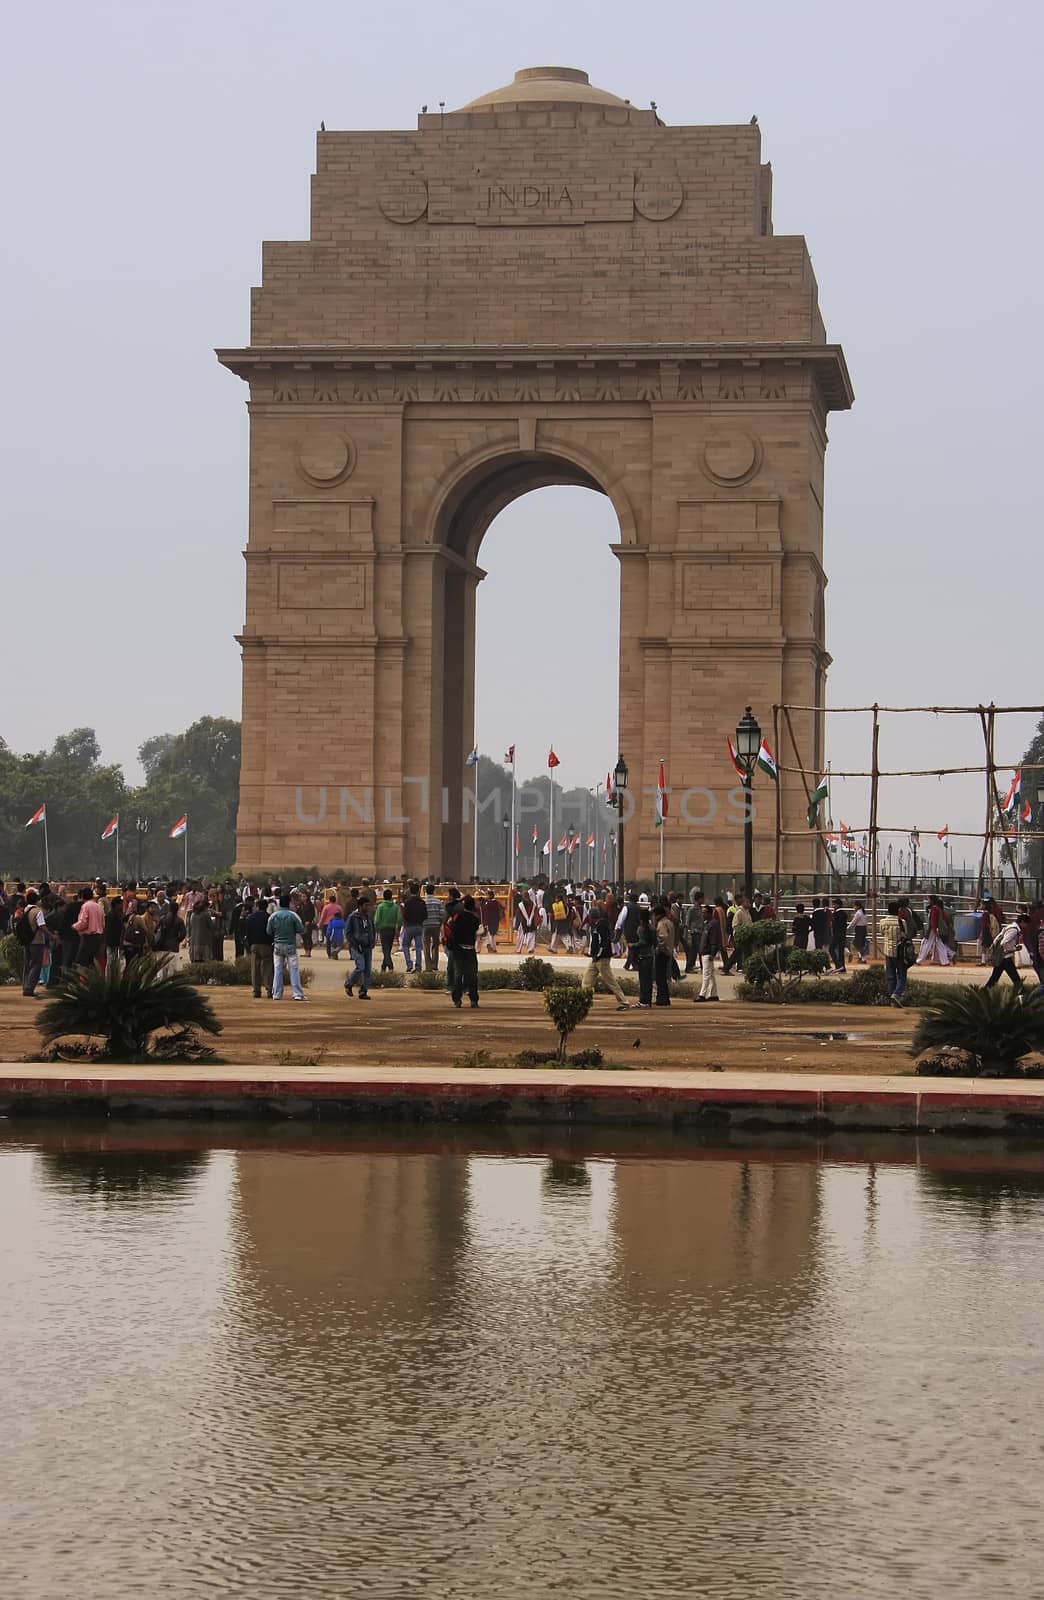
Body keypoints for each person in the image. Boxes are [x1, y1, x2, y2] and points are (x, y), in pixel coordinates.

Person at [581, 905, 630, 1009]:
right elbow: (595, 942)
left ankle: (624, 1002)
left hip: (602, 959)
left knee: (610, 981)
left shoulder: (601, 926)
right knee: (587, 980)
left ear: (592, 917)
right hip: (596, 958)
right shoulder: (597, 926)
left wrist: (597, 955)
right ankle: (583, 1000)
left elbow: (603, 943)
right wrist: (591, 953)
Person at [268, 892, 307, 1001]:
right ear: (289, 903)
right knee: (293, 969)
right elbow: (301, 929)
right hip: (290, 945)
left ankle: (276, 994)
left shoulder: (273, 916)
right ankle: (297, 994)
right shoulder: (293, 915)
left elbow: (269, 931)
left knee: (278, 970)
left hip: (277, 945)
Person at [447, 894, 481, 1008]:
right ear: (473, 908)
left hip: (458, 949)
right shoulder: (475, 919)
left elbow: (449, 907)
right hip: (470, 949)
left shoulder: (458, 917)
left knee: (458, 974)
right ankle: (473, 1000)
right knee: (472, 975)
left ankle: (457, 1000)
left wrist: (459, 900)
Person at [344, 895, 376, 999]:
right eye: (366, 905)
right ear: (360, 906)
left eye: (369, 905)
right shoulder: (353, 917)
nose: (368, 907)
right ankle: (349, 983)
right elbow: (348, 932)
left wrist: (372, 941)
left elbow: (372, 929)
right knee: (360, 967)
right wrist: (354, 944)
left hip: (368, 946)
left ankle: (363, 991)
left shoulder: (368, 917)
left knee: (367, 971)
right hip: (357, 947)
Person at [19, 890, 49, 997]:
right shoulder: (38, 911)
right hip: (37, 941)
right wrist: (51, 935)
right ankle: (30, 988)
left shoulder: (25, 910)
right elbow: (41, 926)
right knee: (36, 964)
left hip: (26, 941)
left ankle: (25, 985)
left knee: (27, 964)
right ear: (37, 900)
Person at [880, 899, 909, 1007]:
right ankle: (896, 994)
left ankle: (892, 998)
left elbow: (882, 932)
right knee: (902, 976)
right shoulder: (902, 922)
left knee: (890, 976)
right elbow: (905, 934)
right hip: (900, 952)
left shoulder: (883, 922)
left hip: (888, 951)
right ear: (898, 911)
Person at [245, 898, 274, 997]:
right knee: (267, 969)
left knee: (255, 969)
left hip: (254, 945)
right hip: (266, 945)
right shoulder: (269, 917)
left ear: (257, 906)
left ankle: (256, 990)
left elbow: (248, 932)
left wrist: (249, 945)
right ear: (266, 907)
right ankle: (269, 990)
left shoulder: (251, 917)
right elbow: (271, 932)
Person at [984, 917, 1024, 990]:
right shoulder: (1014, 930)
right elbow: (1004, 943)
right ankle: (1022, 993)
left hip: (1002, 956)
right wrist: (1014, 949)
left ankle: (984, 992)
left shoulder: (1010, 927)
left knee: (994, 978)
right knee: (1015, 978)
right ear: (1022, 922)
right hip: (1005, 957)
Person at [72, 887, 105, 970]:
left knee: (81, 962)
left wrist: (74, 926)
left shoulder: (86, 906)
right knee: (93, 962)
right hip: (99, 937)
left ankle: (82, 982)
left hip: (88, 938)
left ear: (82, 896)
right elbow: (103, 923)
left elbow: (83, 923)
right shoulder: (98, 906)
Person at [916, 895, 953, 966]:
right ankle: (945, 961)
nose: (928, 901)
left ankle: (919, 960)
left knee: (925, 943)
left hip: (933, 929)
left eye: (929, 900)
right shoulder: (937, 908)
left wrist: (935, 930)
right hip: (935, 929)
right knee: (940, 944)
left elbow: (933, 920)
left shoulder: (934, 908)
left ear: (932, 900)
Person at [695, 903, 722, 1001]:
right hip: (705, 952)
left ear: (710, 913)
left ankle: (702, 994)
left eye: (705, 913)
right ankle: (713, 994)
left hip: (708, 953)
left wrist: (712, 953)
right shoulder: (707, 923)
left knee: (706, 975)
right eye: (702, 913)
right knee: (710, 975)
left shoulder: (713, 924)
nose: (703, 914)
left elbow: (714, 940)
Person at [399, 882, 426, 972]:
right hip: (419, 926)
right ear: (418, 891)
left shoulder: (408, 902)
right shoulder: (422, 902)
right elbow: (425, 915)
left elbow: (405, 915)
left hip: (410, 926)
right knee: (418, 947)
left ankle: (409, 963)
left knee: (405, 945)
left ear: (410, 892)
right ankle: (418, 967)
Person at [374, 887, 402, 972]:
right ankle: (383, 966)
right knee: (388, 949)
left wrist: (376, 927)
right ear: (391, 897)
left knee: (385, 949)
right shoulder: (395, 907)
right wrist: (398, 928)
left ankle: (390, 966)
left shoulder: (381, 906)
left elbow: (377, 919)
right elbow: (400, 919)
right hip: (392, 930)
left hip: (383, 930)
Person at [654, 901, 675, 1006]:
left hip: (662, 952)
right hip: (668, 951)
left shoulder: (662, 923)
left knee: (660, 977)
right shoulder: (669, 922)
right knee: (663, 976)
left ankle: (662, 999)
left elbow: (663, 937)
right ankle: (664, 998)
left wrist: (658, 948)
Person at [634, 907, 656, 1008]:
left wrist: (633, 945)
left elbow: (642, 942)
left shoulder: (640, 929)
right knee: (649, 980)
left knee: (643, 980)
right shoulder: (652, 928)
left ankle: (643, 1000)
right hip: (650, 956)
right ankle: (648, 1001)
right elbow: (655, 942)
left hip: (643, 956)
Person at [422, 883, 443, 971]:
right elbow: (441, 914)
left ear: (426, 891)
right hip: (436, 925)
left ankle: (428, 966)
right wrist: (440, 923)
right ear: (434, 891)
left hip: (425, 925)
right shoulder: (438, 901)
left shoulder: (423, 902)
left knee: (426, 946)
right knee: (436, 945)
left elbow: (421, 914)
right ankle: (435, 965)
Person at [104, 896, 125, 975]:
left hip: (116, 941)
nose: (122, 905)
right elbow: (110, 930)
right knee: (111, 960)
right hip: (111, 941)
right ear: (116, 905)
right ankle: (110, 976)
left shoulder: (117, 914)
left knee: (115, 960)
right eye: (121, 904)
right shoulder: (111, 915)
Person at [479, 889, 503, 953]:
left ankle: (492, 948)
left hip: (489, 921)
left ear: (490, 895)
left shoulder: (488, 903)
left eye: (487, 895)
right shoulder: (497, 902)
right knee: (493, 935)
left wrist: (485, 922)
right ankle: (494, 948)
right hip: (495, 920)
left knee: (490, 935)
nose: (487, 896)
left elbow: (486, 913)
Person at [830, 898, 848, 973]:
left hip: (836, 934)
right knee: (841, 951)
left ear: (838, 905)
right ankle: (843, 967)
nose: (833, 906)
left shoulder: (835, 914)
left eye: (834, 904)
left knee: (831, 949)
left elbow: (833, 925)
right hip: (843, 934)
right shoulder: (844, 914)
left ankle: (838, 965)